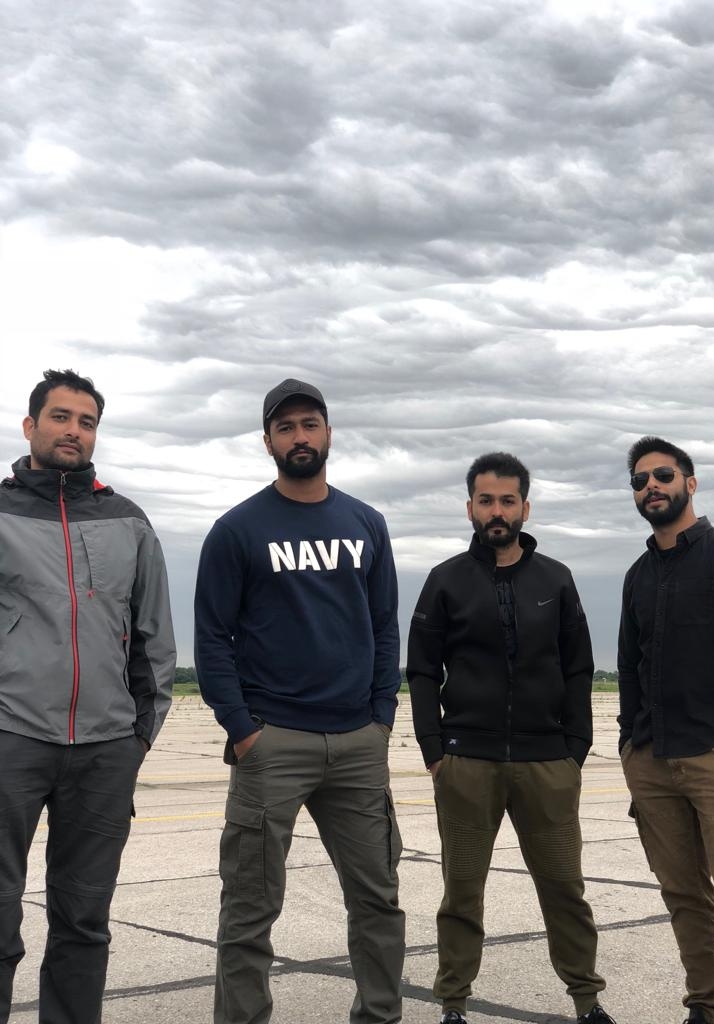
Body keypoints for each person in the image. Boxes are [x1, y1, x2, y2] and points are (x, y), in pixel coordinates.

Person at [194, 377, 405, 1024]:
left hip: (357, 743)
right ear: (268, 442)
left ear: (329, 433)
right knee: (249, 908)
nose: (299, 436)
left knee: (377, 901)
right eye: (285, 428)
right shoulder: (237, 531)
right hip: (272, 741)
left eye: (309, 424)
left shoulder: (366, 524)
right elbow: (212, 637)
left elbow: (385, 626)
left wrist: (381, 717)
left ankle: (380, 1015)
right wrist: (242, 728)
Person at [407, 452, 614, 1024]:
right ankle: (453, 1003)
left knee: (565, 888)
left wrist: (575, 749)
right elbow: (421, 670)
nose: (496, 511)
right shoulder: (445, 579)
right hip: (466, 763)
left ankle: (587, 1000)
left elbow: (578, 668)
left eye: (507, 500)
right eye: (485, 501)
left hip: (547, 762)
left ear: (525, 506)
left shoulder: (556, 579)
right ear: (469, 507)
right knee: (461, 891)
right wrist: (433, 749)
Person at [0, 369, 176, 1024]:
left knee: (83, 922)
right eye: (60, 417)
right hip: (11, 740)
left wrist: (138, 738)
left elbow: (154, 638)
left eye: (87, 421)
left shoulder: (128, 521)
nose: (74, 430)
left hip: (105, 751)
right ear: (30, 426)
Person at [618, 436, 714, 1024]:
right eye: (640, 480)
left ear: (690, 483)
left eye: (663, 475)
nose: (651, 486)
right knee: (683, 896)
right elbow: (629, 666)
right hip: (653, 759)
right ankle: (707, 1008)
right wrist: (630, 742)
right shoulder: (637, 575)